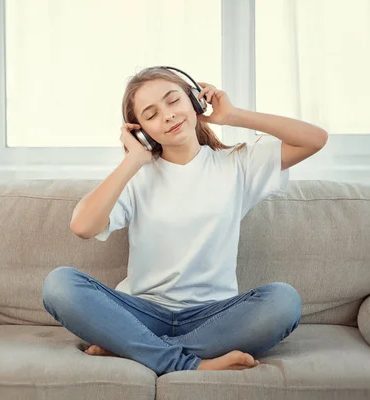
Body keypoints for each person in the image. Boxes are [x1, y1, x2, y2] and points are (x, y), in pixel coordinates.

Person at [42, 66, 328, 376]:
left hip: (213, 317)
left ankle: (134, 349)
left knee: (284, 301)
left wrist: (232, 115)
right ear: (141, 130)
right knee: (59, 284)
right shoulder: (137, 176)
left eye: (173, 100)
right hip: (141, 311)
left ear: (195, 101)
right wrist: (134, 159)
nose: (167, 115)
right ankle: (187, 363)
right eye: (151, 115)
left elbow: (314, 139)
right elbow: (82, 226)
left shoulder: (237, 165)